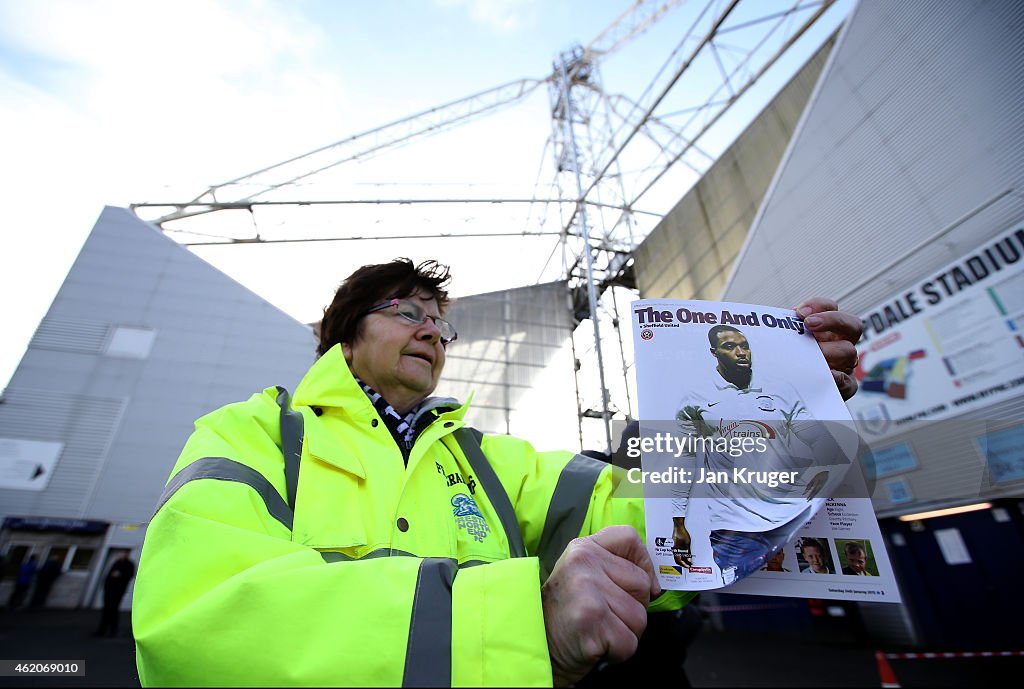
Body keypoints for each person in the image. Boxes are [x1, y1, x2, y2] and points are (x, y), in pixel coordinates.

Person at [132, 258, 862, 686]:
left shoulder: (489, 459)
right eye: (408, 311)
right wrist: (519, 622)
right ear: (345, 336)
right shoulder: (258, 431)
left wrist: (774, 414)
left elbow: (647, 517)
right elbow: (193, 616)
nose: (431, 331)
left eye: (440, 323)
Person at [669, 325, 854, 585]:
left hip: (794, 516)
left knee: (801, 598)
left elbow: (818, 438)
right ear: (714, 352)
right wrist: (679, 522)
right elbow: (684, 462)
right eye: (730, 347)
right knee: (742, 598)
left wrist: (822, 470)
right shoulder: (695, 398)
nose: (741, 352)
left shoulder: (781, 389)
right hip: (733, 530)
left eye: (744, 346)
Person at [95, 551, 135, 636]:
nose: (121, 555)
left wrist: (120, 575)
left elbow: (130, 575)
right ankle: (102, 629)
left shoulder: (129, 564)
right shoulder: (116, 563)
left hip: (118, 590)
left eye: (123, 554)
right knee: (106, 609)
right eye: (120, 554)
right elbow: (109, 575)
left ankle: (113, 630)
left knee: (113, 609)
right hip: (109, 590)